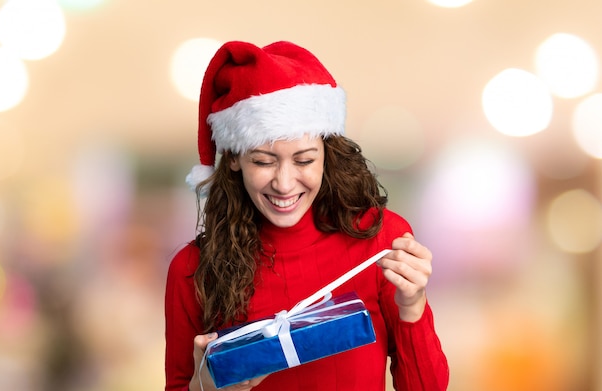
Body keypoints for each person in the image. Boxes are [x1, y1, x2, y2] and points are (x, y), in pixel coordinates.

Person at [165, 40, 449, 391]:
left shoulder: (380, 241)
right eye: (263, 161)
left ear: (327, 153)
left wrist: (412, 305)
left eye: (304, 160)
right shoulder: (192, 269)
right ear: (235, 159)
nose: (284, 184)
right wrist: (205, 386)